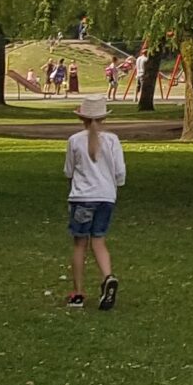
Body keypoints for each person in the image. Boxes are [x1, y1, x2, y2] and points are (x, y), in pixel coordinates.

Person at [64, 96, 126, 312]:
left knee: (80, 244)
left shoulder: (75, 140)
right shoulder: (113, 141)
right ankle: (107, 276)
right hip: (106, 197)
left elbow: (68, 171)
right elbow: (120, 173)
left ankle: (78, 292)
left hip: (82, 197)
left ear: (82, 118)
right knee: (99, 240)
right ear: (103, 118)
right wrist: (114, 185)